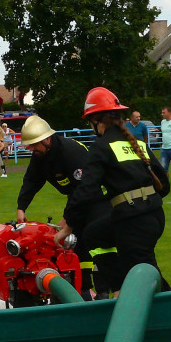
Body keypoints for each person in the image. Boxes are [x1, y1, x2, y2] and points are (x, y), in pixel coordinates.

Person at [58, 87, 171, 292]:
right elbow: (164, 184)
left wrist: (68, 224)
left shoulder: (101, 146)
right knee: (94, 234)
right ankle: (119, 287)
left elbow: (86, 190)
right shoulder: (136, 143)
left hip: (134, 222)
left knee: (144, 278)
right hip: (153, 216)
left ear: (96, 120)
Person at [16, 114, 115, 299]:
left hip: (99, 199)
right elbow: (31, 181)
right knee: (77, 245)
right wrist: (21, 207)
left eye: (33, 144)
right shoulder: (40, 155)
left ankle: (103, 292)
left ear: (46, 139)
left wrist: (68, 219)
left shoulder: (71, 152)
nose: (30, 149)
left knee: (98, 245)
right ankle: (84, 288)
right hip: (78, 198)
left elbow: (84, 190)